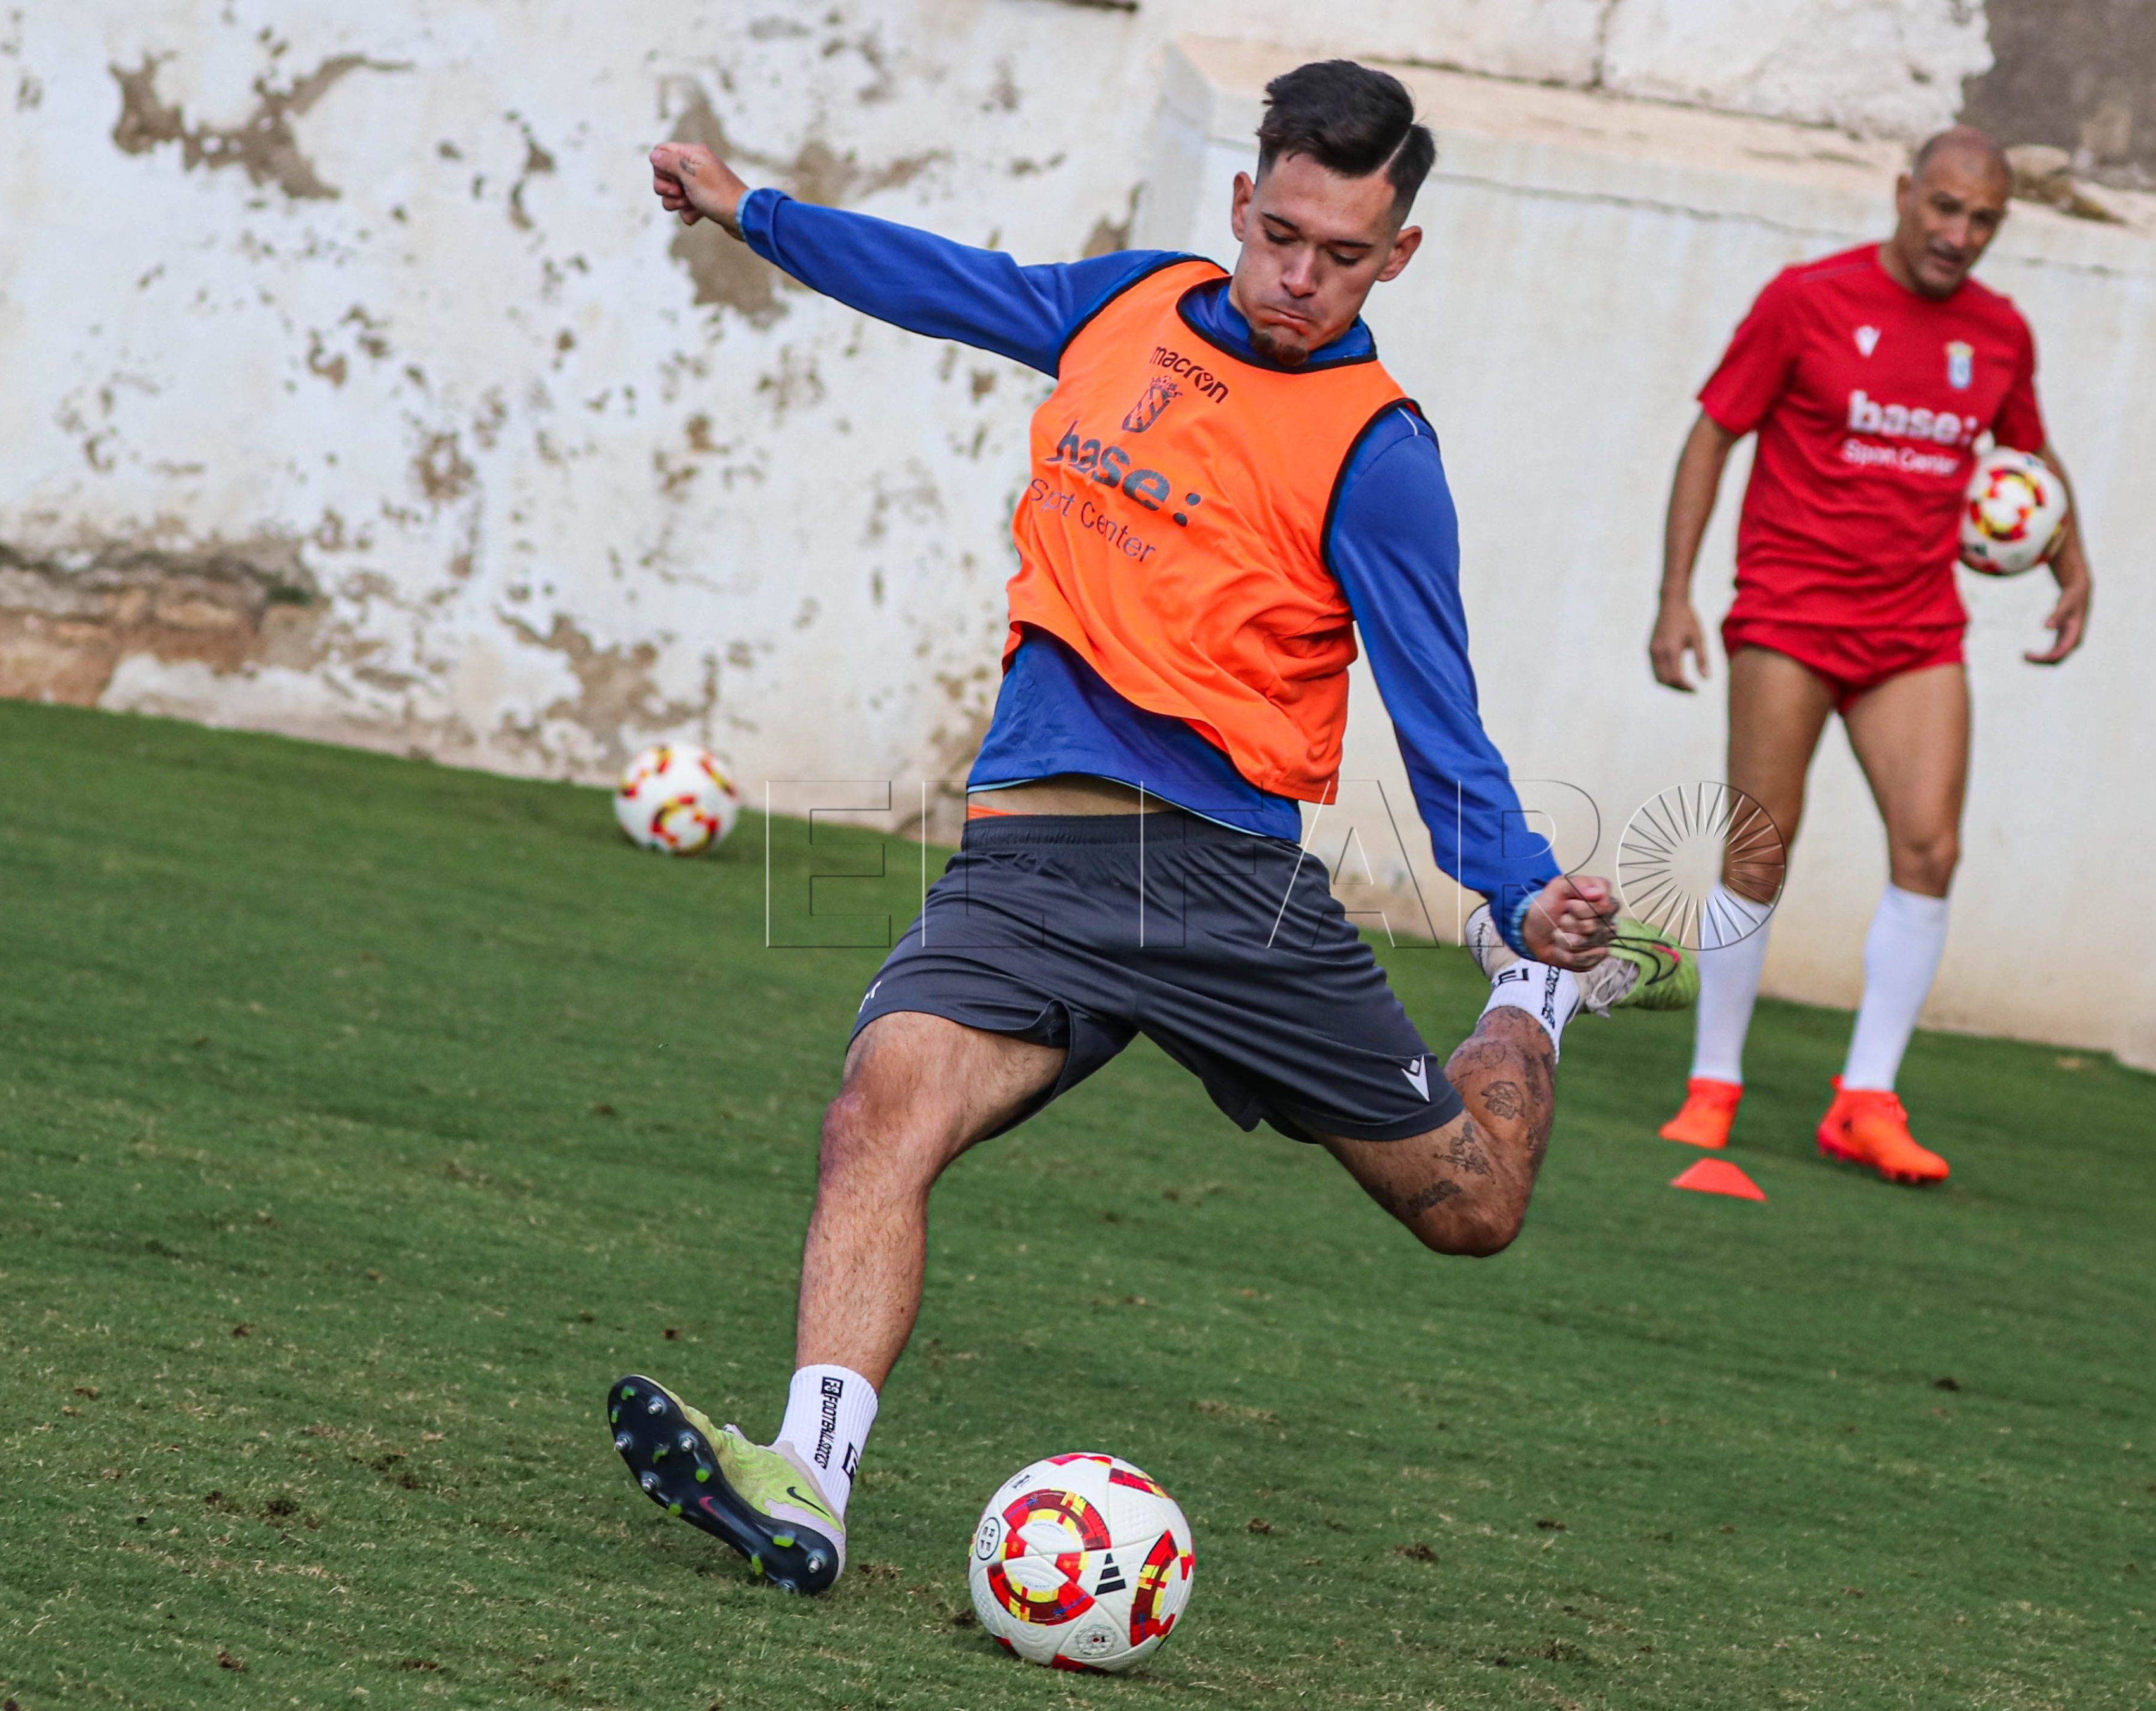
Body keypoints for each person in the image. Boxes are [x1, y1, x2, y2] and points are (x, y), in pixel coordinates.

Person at [606, 60, 1681, 1592]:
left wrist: (1521, 903)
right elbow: (951, 286)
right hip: (1028, 865)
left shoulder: (1378, 458)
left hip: (1217, 888)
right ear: (1241, 204)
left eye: (1345, 255)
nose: (1302, 278)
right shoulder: (1130, 306)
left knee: (1471, 1207)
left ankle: (1533, 1003)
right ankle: (810, 1489)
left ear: (1399, 258)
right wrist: (748, 213)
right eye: (1284, 235)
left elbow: (1441, 726)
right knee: (875, 1117)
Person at [1647, 127, 2094, 1186]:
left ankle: (1865, 1100)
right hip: (1791, 612)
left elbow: (2026, 460)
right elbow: (1713, 432)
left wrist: (2076, 569)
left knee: (1931, 849)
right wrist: (1676, 596)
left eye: (1983, 219)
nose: (1959, 235)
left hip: (1915, 627)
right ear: (1903, 195)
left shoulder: (1999, 333)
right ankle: (1714, 1084)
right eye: (1943, 208)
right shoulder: (1806, 300)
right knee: (1761, 845)